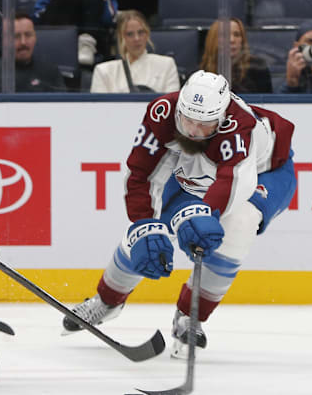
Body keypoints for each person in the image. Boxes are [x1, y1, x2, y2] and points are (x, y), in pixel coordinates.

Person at [62, 70, 297, 359]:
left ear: (221, 118)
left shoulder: (240, 126)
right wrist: (145, 224)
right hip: (196, 164)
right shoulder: (162, 112)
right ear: (179, 109)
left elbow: (235, 182)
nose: (194, 131)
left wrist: (205, 216)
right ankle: (107, 301)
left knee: (238, 225)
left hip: (265, 172)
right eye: (187, 121)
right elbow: (140, 175)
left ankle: (190, 317)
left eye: (204, 124)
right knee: (147, 234)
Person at [90, 10, 179, 93]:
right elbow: (99, 108)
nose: (137, 39)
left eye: (141, 32)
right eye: (130, 34)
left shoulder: (166, 65)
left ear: (147, 34)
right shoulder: (103, 71)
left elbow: (171, 104)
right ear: (121, 37)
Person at [0, 12, 65, 92]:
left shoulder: (50, 73)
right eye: (16, 36)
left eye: (28, 35)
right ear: (4, 40)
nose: (23, 42)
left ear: (35, 37)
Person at [32, 0, 118, 67]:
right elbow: (37, 16)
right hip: (59, 31)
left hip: (92, 37)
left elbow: (109, 20)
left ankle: (86, 43)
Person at [200, 18, 272, 94]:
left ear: (242, 40)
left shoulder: (258, 68)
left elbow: (268, 103)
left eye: (237, 35)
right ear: (213, 40)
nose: (232, 40)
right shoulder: (201, 74)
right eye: (225, 35)